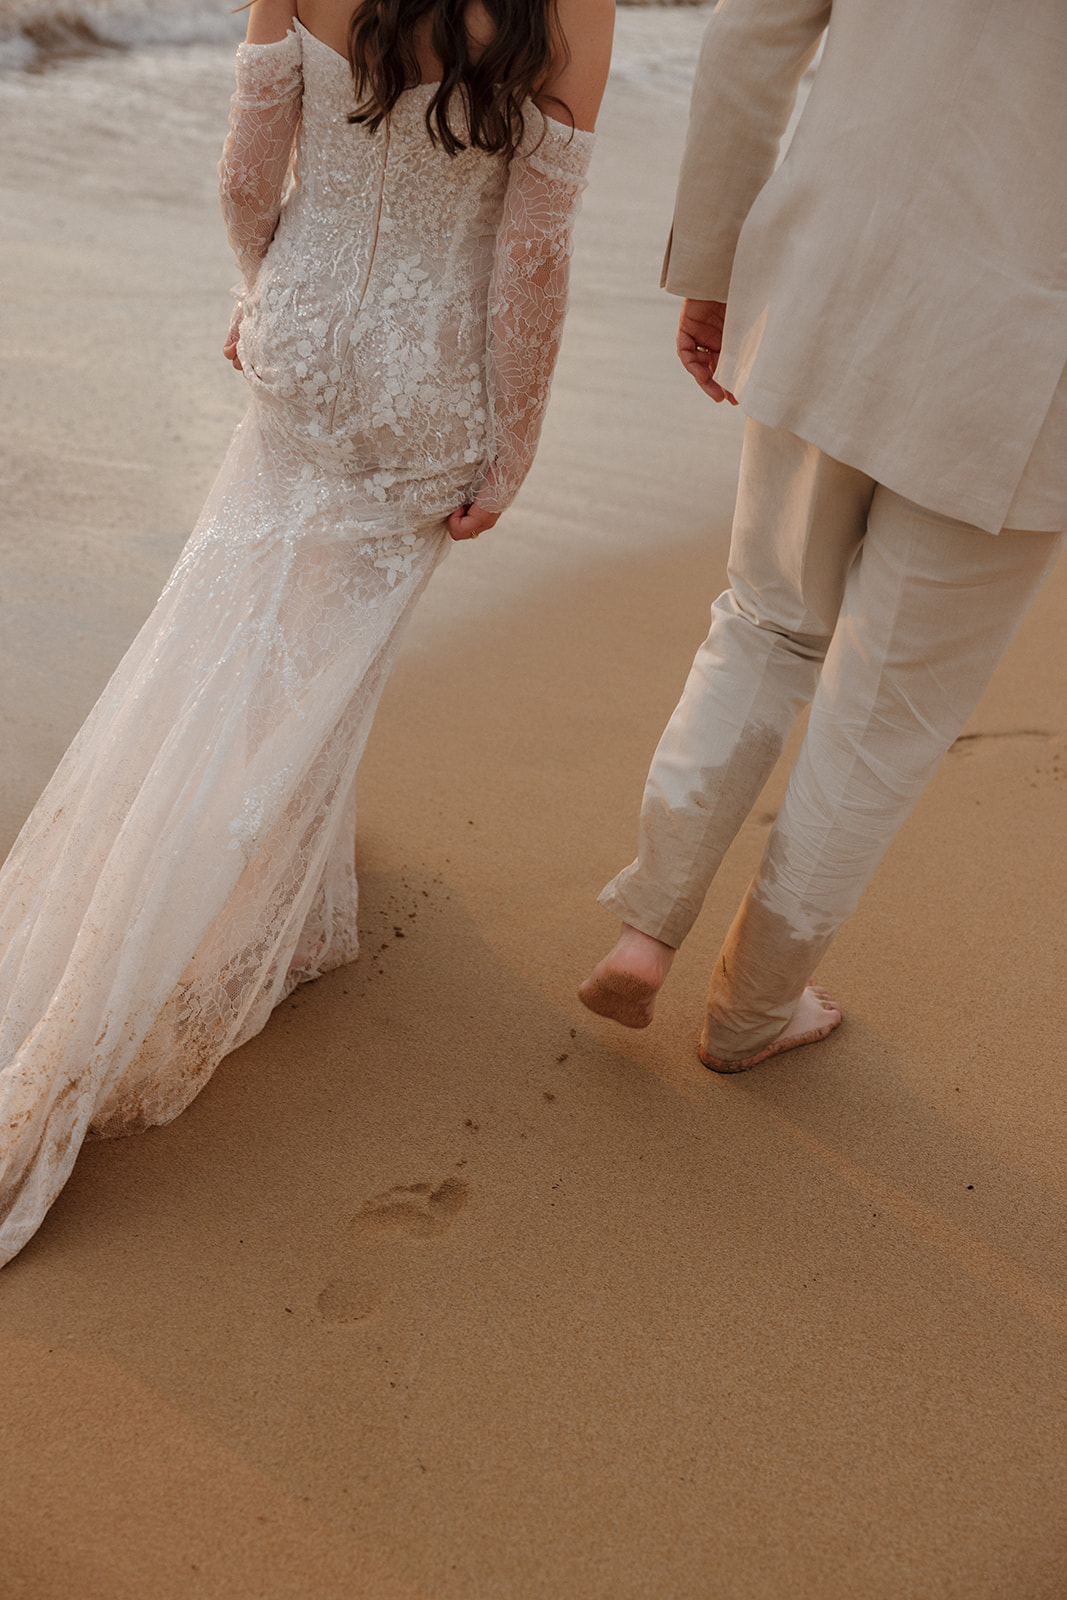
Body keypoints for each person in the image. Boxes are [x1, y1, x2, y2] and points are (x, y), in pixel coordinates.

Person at [0, 0, 613, 1266]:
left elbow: (244, 164)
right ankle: (185, 932)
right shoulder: (571, 7)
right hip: (428, 376)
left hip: (305, 333)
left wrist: (256, 292)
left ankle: (301, 905)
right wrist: (514, 445)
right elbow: (531, 254)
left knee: (223, 635)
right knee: (316, 668)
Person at [579, 0, 1066, 1071]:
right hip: (1021, 354)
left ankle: (645, 925)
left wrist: (711, 259)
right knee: (880, 714)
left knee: (762, 621)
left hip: (832, 277)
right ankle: (752, 1006)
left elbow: (747, 35)